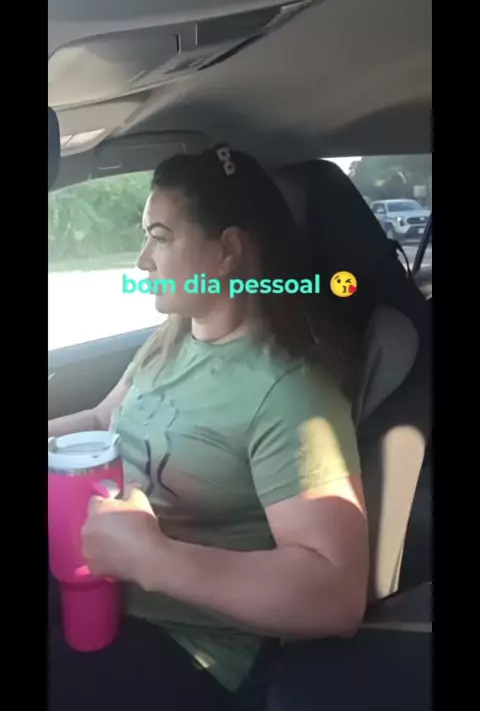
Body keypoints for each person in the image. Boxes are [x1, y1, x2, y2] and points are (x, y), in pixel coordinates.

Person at [48, 145, 369, 711]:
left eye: (161, 237)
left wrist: (153, 559)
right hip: (99, 586)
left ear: (227, 252)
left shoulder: (290, 392)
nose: (142, 261)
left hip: (186, 645)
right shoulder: (174, 336)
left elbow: (336, 596)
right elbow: (102, 420)